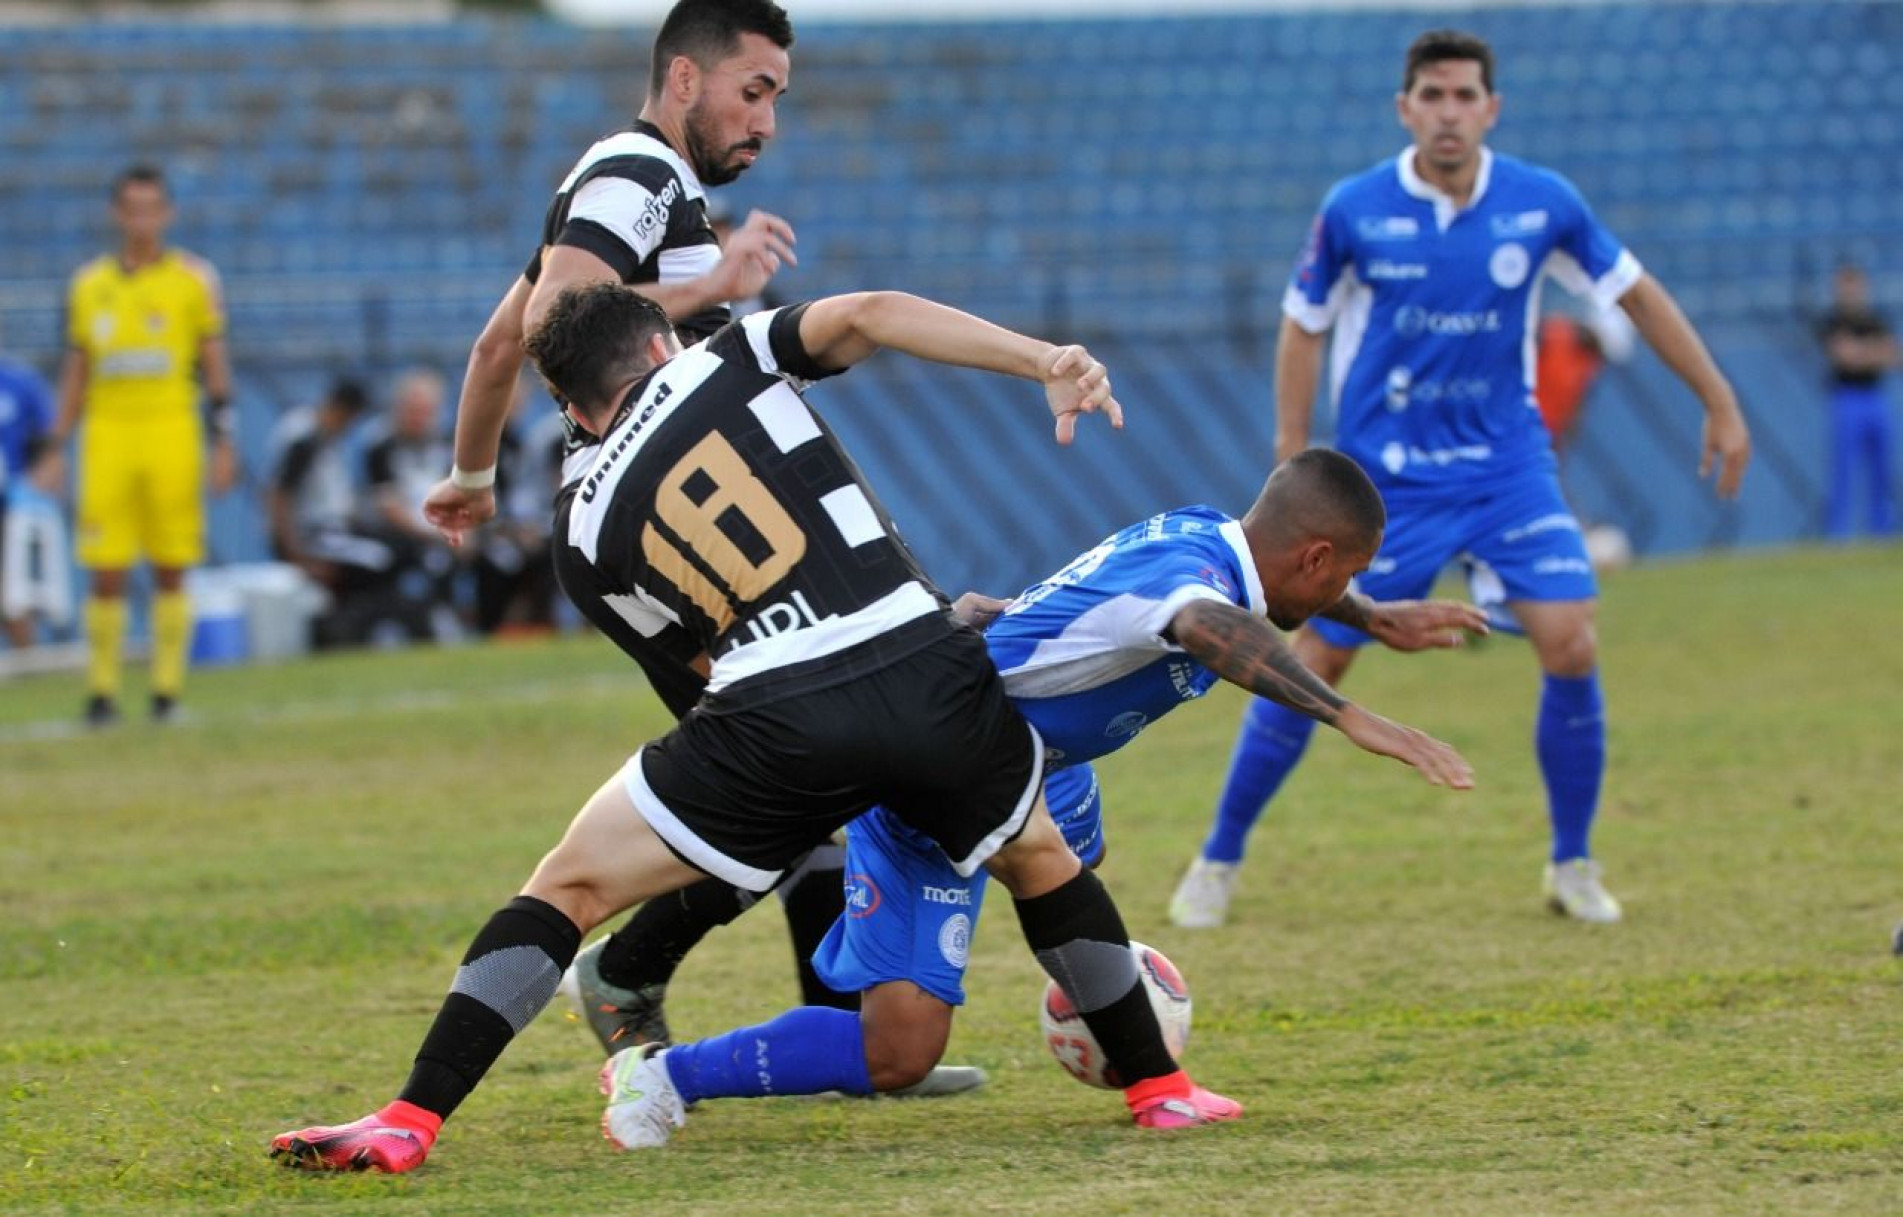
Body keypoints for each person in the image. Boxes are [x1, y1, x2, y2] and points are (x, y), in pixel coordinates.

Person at [270, 282, 1238, 1175]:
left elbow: (690, 667)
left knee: (565, 887)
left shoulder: (581, 524)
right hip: (921, 658)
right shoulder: (728, 355)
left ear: (571, 409)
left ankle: (410, 1117)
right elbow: (869, 310)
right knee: (1038, 859)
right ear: (658, 341)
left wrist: (775, 782)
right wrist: (1043, 359)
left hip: (777, 704)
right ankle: (1162, 1089)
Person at [591, 449, 1485, 1146]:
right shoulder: (1198, 589)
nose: (1337, 593)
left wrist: (1371, 616)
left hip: (1034, 756)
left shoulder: (1215, 535)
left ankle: (1144, 1068)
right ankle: (662, 1076)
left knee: (1074, 875)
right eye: (1338, 580)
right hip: (936, 765)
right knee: (897, 1052)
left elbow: (1235, 599)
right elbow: (1205, 626)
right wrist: (1347, 714)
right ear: (1315, 553)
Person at [1168, 29, 1752, 930]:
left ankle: (1573, 862)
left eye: (1463, 95)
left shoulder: (1541, 202)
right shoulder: (1353, 209)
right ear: (1405, 109)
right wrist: (1292, 458)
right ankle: (1218, 856)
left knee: (1571, 640)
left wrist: (1717, 396)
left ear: (1491, 108)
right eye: (1431, 96)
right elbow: (1302, 325)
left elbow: (1633, 292)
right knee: (1318, 655)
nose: (1448, 112)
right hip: (1386, 486)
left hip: (1506, 471)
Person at [421, 0, 852, 1058]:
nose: (766, 122)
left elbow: (495, 347)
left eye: (778, 101)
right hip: (663, 534)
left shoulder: (623, 189)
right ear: (684, 81)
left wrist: (471, 474)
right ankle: (637, 970)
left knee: (804, 765)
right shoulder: (641, 170)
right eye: (754, 93)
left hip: (643, 532)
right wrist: (715, 284)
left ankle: (828, 1029)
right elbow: (555, 317)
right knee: (803, 750)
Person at [48, 163, 236, 724]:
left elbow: (215, 369)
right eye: (132, 208)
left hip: (171, 434)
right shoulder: (88, 286)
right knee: (105, 567)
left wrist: (223, 442)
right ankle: (103, 693)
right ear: (117, 214)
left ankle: (166, 692)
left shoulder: (194, 281)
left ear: (167, 214)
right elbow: (77, 371)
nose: (142, 219)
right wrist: (57, 442)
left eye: (152, 207)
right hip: (108, 437)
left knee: (171, 563)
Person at [1817, 264, 1897, 540]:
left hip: (1875, 397)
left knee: (1881, 469)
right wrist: (1874, 352)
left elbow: (1894, 358)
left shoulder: (1876, 319)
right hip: (1847, 399)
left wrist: (1862, 352)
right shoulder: (1833, 320)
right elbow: (1844, 356)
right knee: (1843, 469)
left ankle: (1882, 528)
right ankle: (1838, 532)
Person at [0, 331, 56, 648]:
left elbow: (51, 444)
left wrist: (38, 481)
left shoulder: (20, 382)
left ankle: (27, 662)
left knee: (12, 592)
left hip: (11, 505)